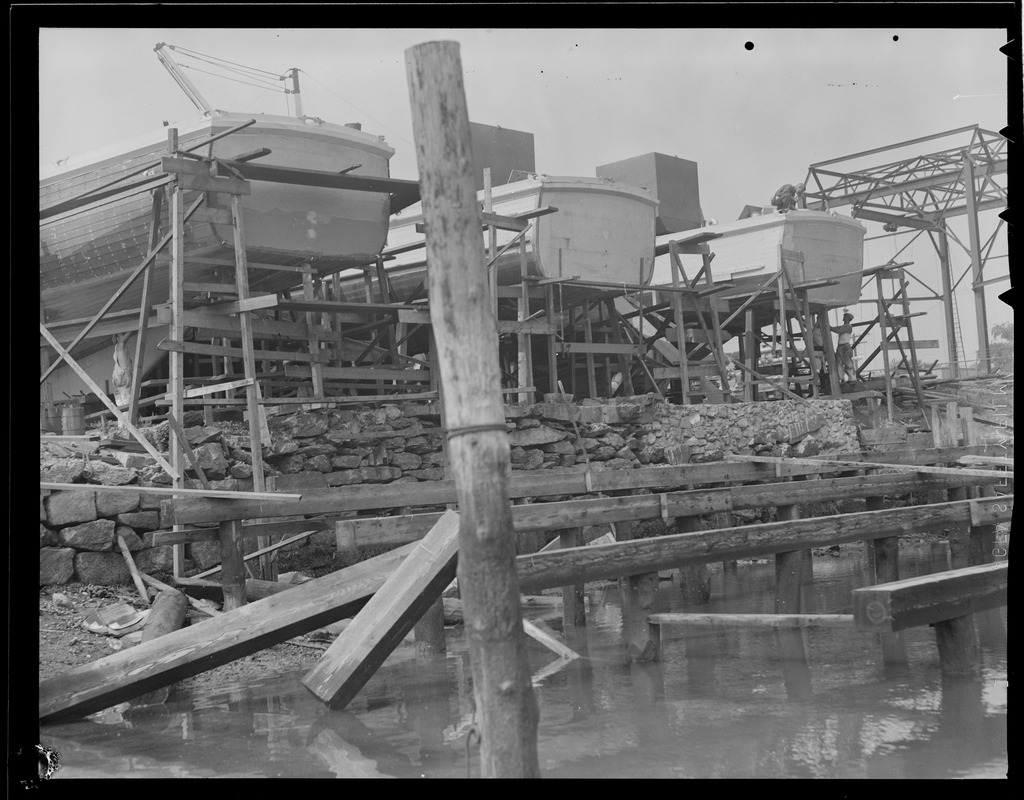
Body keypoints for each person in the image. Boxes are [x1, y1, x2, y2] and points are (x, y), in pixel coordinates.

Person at [831, 311, 858, 383]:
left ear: (848, 318)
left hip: (845, 346)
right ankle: (842, 379)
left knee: (848, 363)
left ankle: (852, 379)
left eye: (845, 316)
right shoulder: (843, 326)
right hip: (840, 346)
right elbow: (836, 329)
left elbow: (839, 331)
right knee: (839, 363)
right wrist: (830, 328)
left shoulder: (848, 326)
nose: (843, 317)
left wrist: (829, 327)